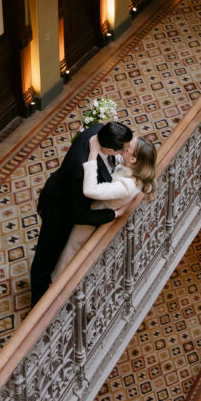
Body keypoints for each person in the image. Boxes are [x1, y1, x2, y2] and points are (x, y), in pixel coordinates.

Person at [30, 120, 133, 306]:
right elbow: (80, 215)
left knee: (62, 250)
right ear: (110, 150)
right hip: (59, 208)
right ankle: (38, 305)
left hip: (72, 195)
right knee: (45, 258)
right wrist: (114, 214)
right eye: (124, 149)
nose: (127, 151)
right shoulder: (81, 169)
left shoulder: (100, 130)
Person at [52, 133, 157, 280]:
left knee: (69, 254)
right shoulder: (131, 169)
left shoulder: (127, 186)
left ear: (133, 159)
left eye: (127, 147)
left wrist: (93, 153)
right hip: (88, 210)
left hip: (89, 220)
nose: (124, 146)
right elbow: (119, 160)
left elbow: (90, 190)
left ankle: (55, 284)